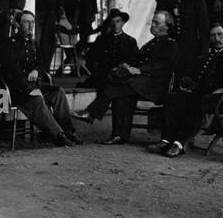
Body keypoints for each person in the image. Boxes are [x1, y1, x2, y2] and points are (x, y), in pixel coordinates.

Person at [75, 10, 178, 145]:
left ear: (167, 26)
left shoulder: (170, 44)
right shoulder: (151, 43)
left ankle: (91, 113)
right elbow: (136, 58)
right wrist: (126, 64)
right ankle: (119, 136)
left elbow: (163, 66)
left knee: (119, 85)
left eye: (156, 23)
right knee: (120, 93)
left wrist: (140, 70)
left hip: (155, 86)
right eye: (152, 22)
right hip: (141, 83)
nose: (152, 25)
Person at [152, 23, 223, 157]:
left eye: (220, 34)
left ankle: (179, 144)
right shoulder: (204, 59)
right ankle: (165, 140)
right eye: (213, 35)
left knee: (199, 101)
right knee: (173, 98)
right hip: (201, 95)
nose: (216, 38)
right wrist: (186, 84)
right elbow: (191, 78)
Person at [0, 10, 81, 147]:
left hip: (35, 87)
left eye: (32, 22)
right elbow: (12, 73)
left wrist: (36, 70)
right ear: (17, 24)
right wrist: (30, 89)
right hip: (19, 91)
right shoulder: (10, 44)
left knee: (58, 93)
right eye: (26, 22)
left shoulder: (33, 43)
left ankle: (69, 131)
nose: (30, 25)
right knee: (38, 100)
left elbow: (41, 63)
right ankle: (59, 136)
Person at [162, 0, 209, 86]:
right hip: (171, 44)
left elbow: (203, 26)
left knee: (187, 76)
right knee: (169, 75)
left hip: (190, 46)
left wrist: (204, 48)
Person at [82, 7, 138, 89]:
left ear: (122, 23)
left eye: (118, 21)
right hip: (104, 74)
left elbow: (135, 59)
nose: (115, 24)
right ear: (110, 24)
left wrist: (124, 65)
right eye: (112, 22)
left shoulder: (130, 41)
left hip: (123, 74)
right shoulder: (101, 40)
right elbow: (92, 57)